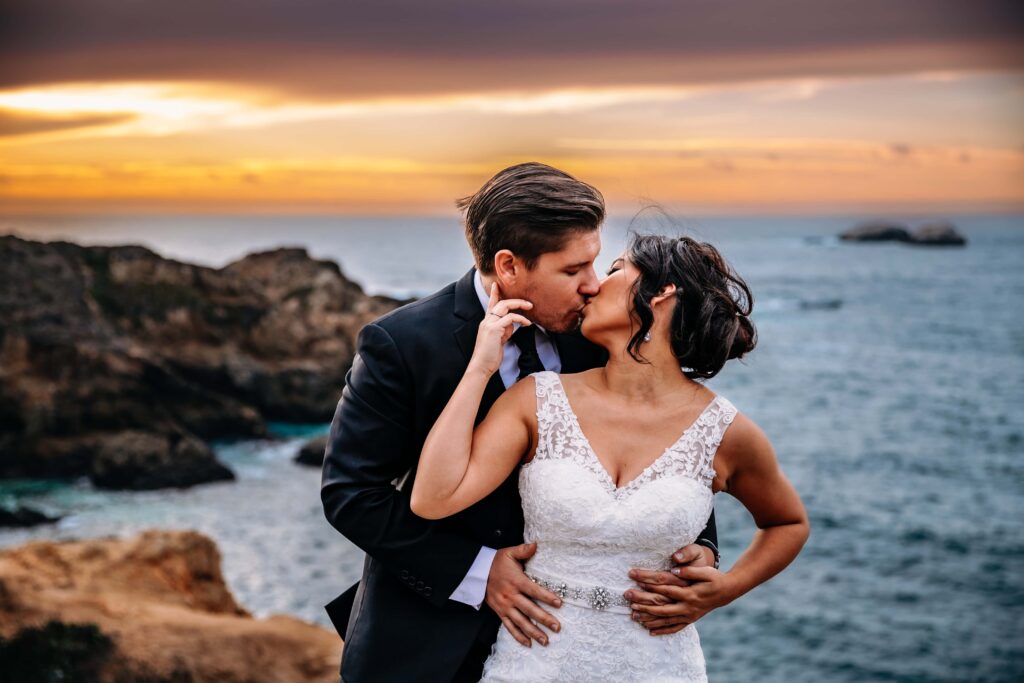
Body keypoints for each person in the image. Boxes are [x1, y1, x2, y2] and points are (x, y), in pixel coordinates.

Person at [320, 163, 727, 682]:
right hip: (426, 645)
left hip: (566, 647)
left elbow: (660, 435)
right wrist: (477, 571)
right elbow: (351, 494)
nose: (592, 285)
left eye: (596, 264)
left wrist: (704, 547)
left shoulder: (602, 334)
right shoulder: (401, 344)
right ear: (508, 266)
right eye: (573, 270)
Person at [410, 233, 810, 681]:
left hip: (662, 669)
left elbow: (788, 523)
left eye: (616, 269)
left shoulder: (726, 431)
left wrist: (726, 588)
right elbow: (433, 498)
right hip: (532, 665)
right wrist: (481, 366)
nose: (594, 284)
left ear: (662, 294)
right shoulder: (537, 400)